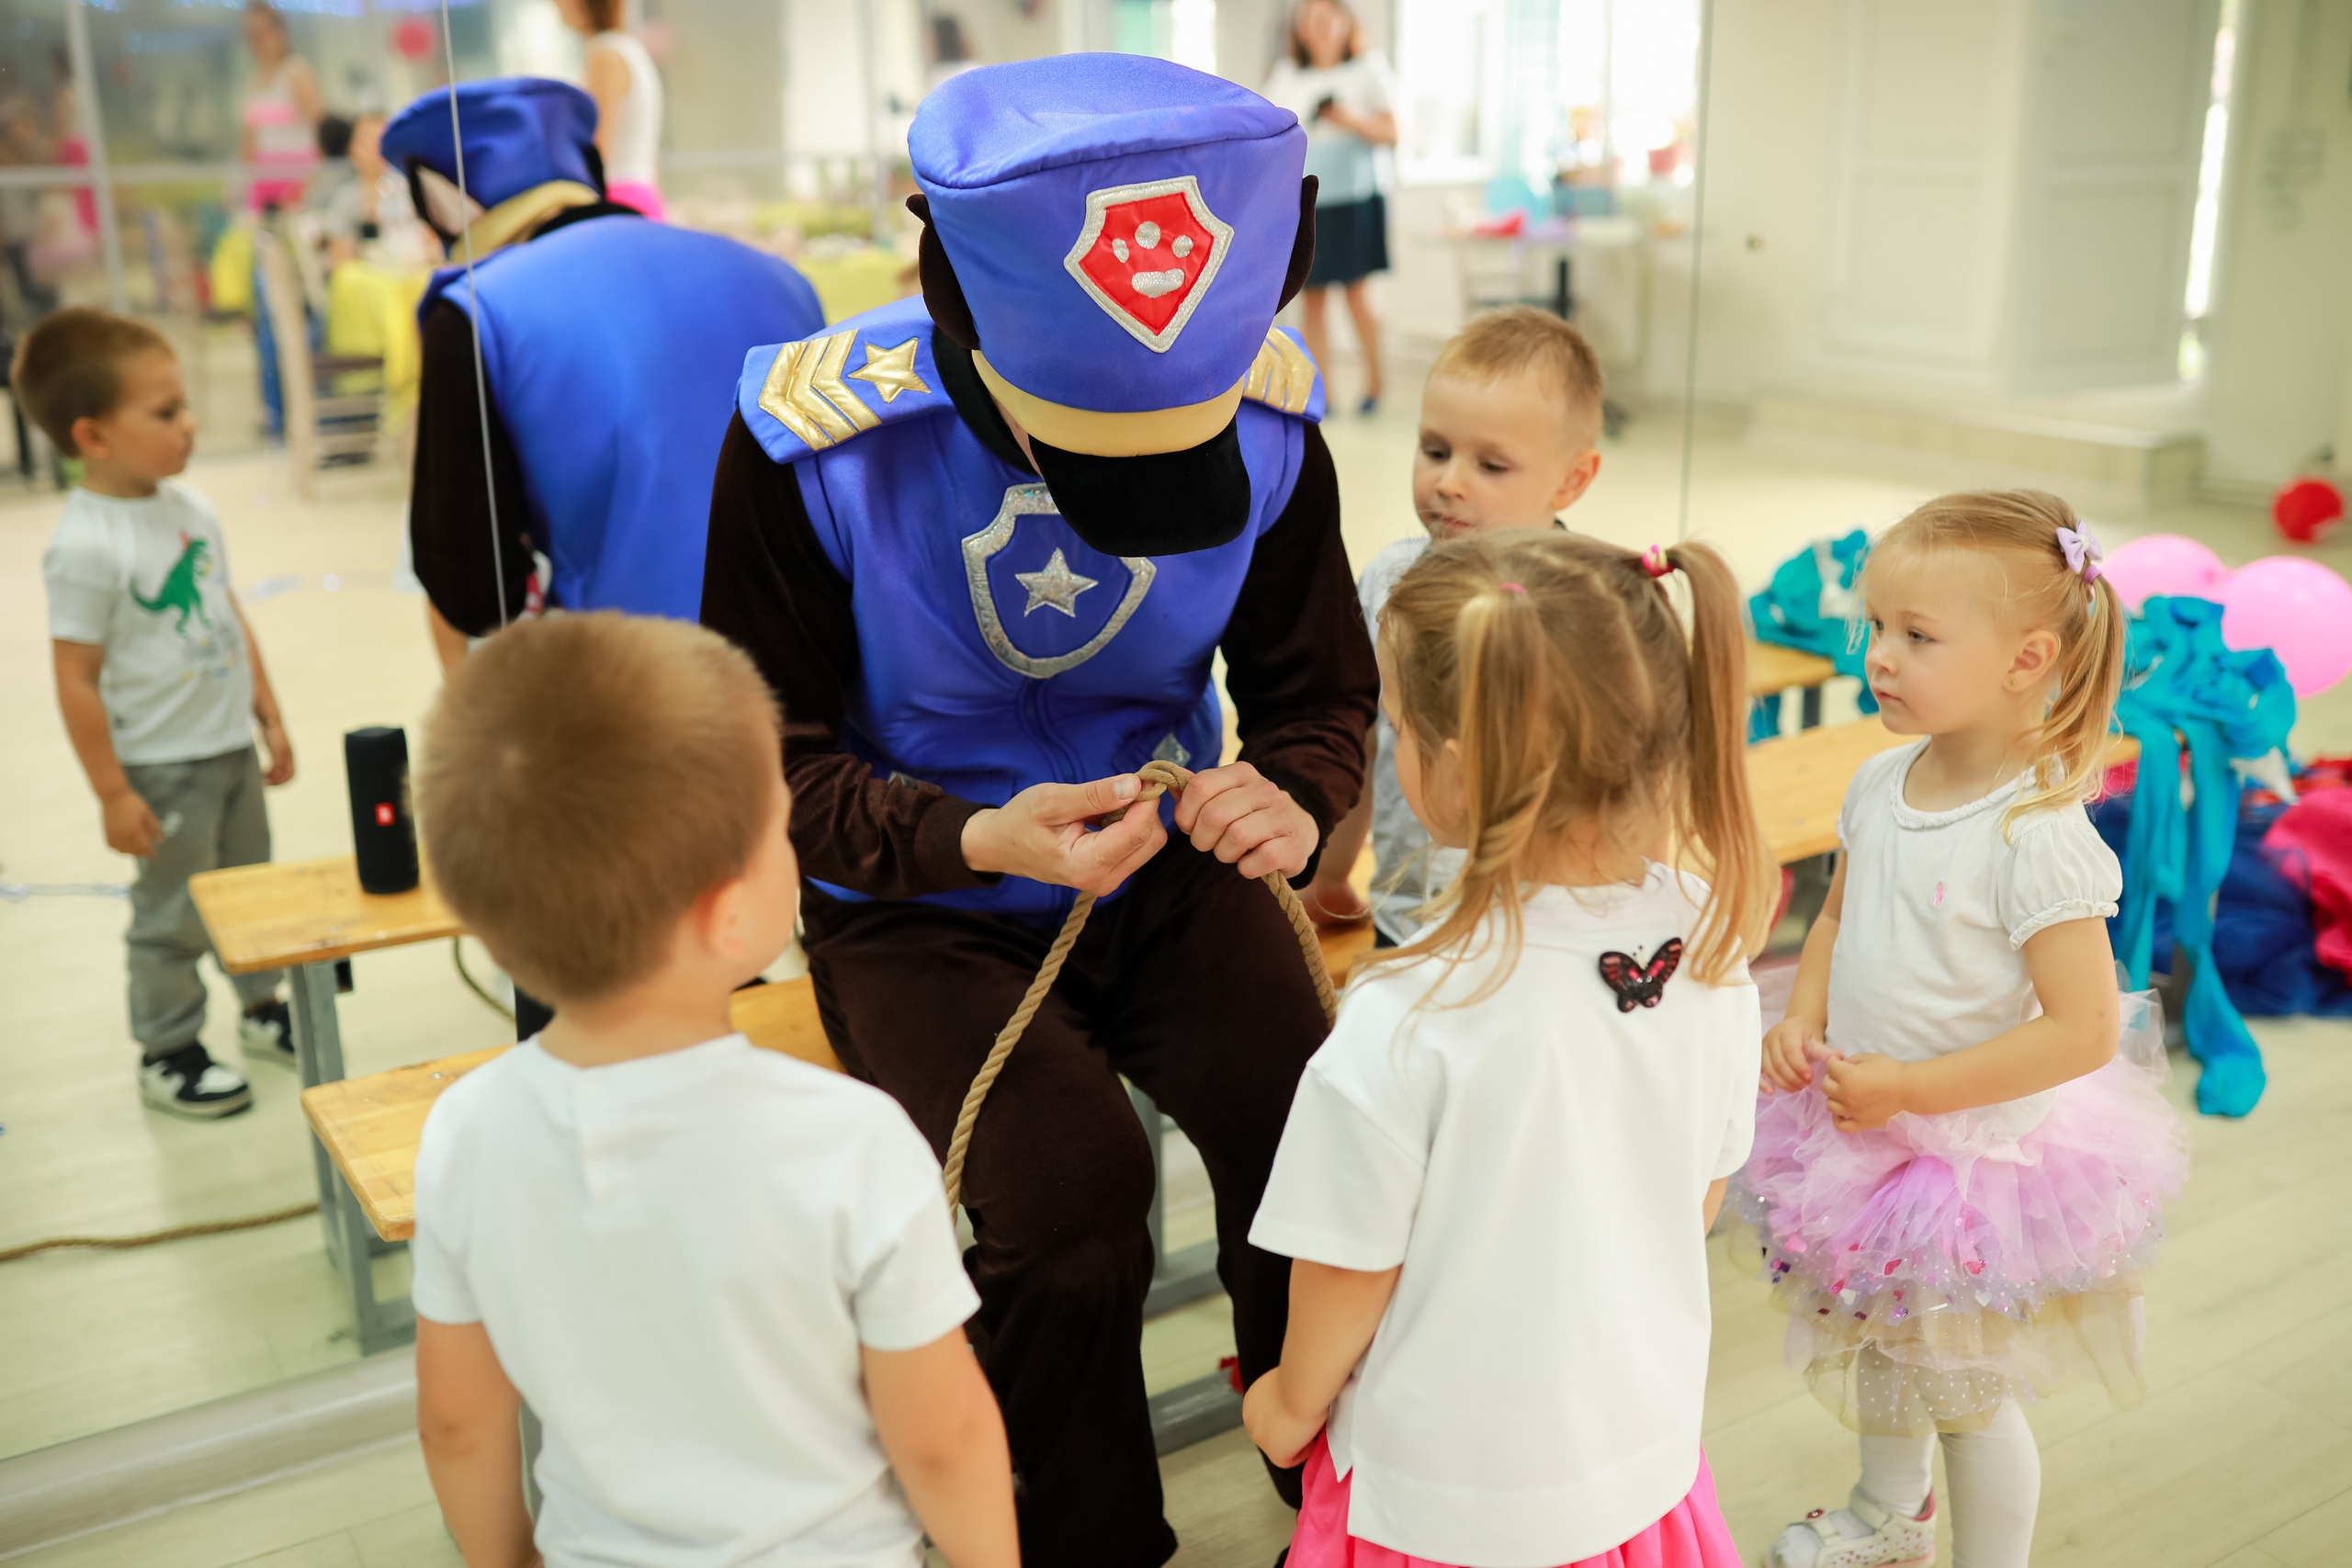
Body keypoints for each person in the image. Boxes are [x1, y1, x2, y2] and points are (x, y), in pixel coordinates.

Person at [699, 53, 1376, 1567]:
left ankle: (1338, 1509)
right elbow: (768, 757)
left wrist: (1297, 799)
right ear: (951, 293)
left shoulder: (1275, 427)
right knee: (1071, 1209)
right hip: (915, 896)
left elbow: (1321, 694)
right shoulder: (816, 446)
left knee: (1320, 1135)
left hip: (1171, 848)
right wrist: (963, 839)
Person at [410, 613, 1015, 1568]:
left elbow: (456, 1421)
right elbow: (942, 1438)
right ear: (734, 917)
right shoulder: (851, 1141)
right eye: (781, 829)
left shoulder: (465, 1133)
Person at [1242, 529, 1773, 1568]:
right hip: (1632, 1459)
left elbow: (1349, 1267)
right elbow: (1696, 1194)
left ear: (1448, 768)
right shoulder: (1710, 939)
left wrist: (1287, 1401)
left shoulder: (1408, 1011)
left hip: (1441, 1495)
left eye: (1398, 727)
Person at [1737, 492, 2191, 1568]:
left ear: (2026, 659)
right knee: (1884, 1334)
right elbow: (1839, 913)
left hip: (1970, 1159)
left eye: (1916, 636)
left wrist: (1913, 1090)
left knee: (1968, 1394)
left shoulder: (2036, 834)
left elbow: (2081, 1030)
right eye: (1875, 629)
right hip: (1861, 1120)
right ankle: (1891, 1515)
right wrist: (1801, 1015)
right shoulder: (1878, 778)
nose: (1879, 657)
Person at [386, 77, 822, 673]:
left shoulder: (475, 311)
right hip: (825, 668)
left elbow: (474, 590)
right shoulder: (781, 278)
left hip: (641, 696)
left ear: (438, 200)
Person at [27, 309, 295, 1119]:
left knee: (250, 890)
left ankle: (262, 1005)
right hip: (163, 762)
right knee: (173, 912)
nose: (189, 425)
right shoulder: (86, 544)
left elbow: (224, 610)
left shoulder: (190, 509)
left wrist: (268, 712)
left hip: (228, 746)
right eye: (166, 411)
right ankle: (169, 1044)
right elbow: (75, 677)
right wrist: (112, 790)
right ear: (94, 436)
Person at [1305, 307, 1604, 943]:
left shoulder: (1589, 609)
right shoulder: (1390, 581)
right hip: (1406, 914)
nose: (1449, 482)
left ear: (1572, 479)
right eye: (1434, 450)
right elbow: (1363, 736)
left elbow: (1620, 788)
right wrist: (1330, 875)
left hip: (1539, 933)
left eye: (1491, 466)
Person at [1262, 0, 1395, 414]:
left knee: (1358, 295)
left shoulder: (1368, 68)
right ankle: (1325, 393)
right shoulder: (1287, 75)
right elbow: (1270, 128)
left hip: (1356, 199)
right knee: (1313, 298)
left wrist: (1346, 118)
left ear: (1345, 23)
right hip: (1309, 202)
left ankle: (1376, 382)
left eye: (1326, 18)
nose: (1316, 27)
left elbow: (1392, 132)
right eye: (1309, 20)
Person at [556, 0, 667, 220]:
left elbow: (596, 150)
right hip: (642, 195)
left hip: (618, 200)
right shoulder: (628, 47)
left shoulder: (605, 55)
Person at [239, 1, 320, 215]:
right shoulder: (253, 82)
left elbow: (318, 128)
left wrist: (307, 183)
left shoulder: (296, 72)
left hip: (298, 177)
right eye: (251, 34)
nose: (257, 40)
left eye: (262, 32)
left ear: (280, 32)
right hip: (264, 179)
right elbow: (249, 141)